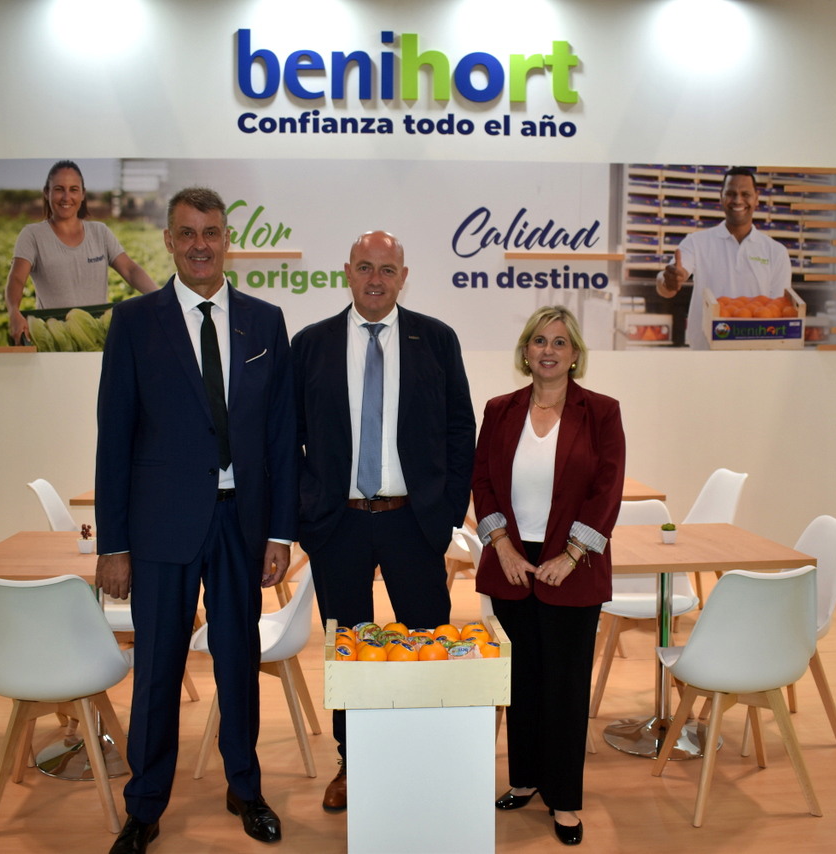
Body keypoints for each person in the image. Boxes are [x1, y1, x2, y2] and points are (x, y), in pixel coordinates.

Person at [94, 187, 297, 853]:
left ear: (227, 239)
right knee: (157, 669)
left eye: (211, 232)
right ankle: (145, 805)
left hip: (243, 525)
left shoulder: (265, 323)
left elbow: (280, 436)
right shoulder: (134, 322)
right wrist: (114, 544)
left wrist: (279, 531)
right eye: (187, 233)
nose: (200, 245)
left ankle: (246, 788)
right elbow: (113, 438)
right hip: (159, 528)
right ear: (169, 241)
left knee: (239, 664)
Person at [291, 230, 476, 812]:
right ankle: (354, 762)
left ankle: (425, 758)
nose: (376, 279)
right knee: (349, 653)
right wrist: (306, 509)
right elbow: (286, 437)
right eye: (366, 267)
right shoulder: (311, 344)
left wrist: (445, 512)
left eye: (387, 269)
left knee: (428, 641)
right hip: (338, 524)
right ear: (347, 272)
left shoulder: (436, 340)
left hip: (412, 521)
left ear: (403, 277)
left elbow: (460, 431)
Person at [472, 305, 625, 847]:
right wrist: (502, 547)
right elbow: (483, 482)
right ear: (526, 350)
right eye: (539, 340)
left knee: (564, 686)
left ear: (575, 354)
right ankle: (526, 778)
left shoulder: (601, 411)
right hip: (512, 563)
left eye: (560, 342)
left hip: (572, 567)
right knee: (521, 681)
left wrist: (573, 554)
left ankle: (564, 798)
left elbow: (607, 490)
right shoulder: (500, 409)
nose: (548, 350)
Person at [5, 159, 159, 345]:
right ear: (47, 192)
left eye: (73, 189)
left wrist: (160, 297)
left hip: (97, 334)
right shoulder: (32, 235)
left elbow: (130, 270)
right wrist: (13, 311)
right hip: (55, 338)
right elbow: (17, 278)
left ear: (83, 194)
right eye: (59, 189)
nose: (66, 197)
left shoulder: (100, 232)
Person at [656, 167, 793, 349]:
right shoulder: (696, 242)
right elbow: (668, 284)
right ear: (721, 197)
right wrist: (668, 282)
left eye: (745, 194)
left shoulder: (776, 252)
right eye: (730, 194)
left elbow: (778, 309)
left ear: (756, 199)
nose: (738, 200)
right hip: (707, 355)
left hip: (755, 356)